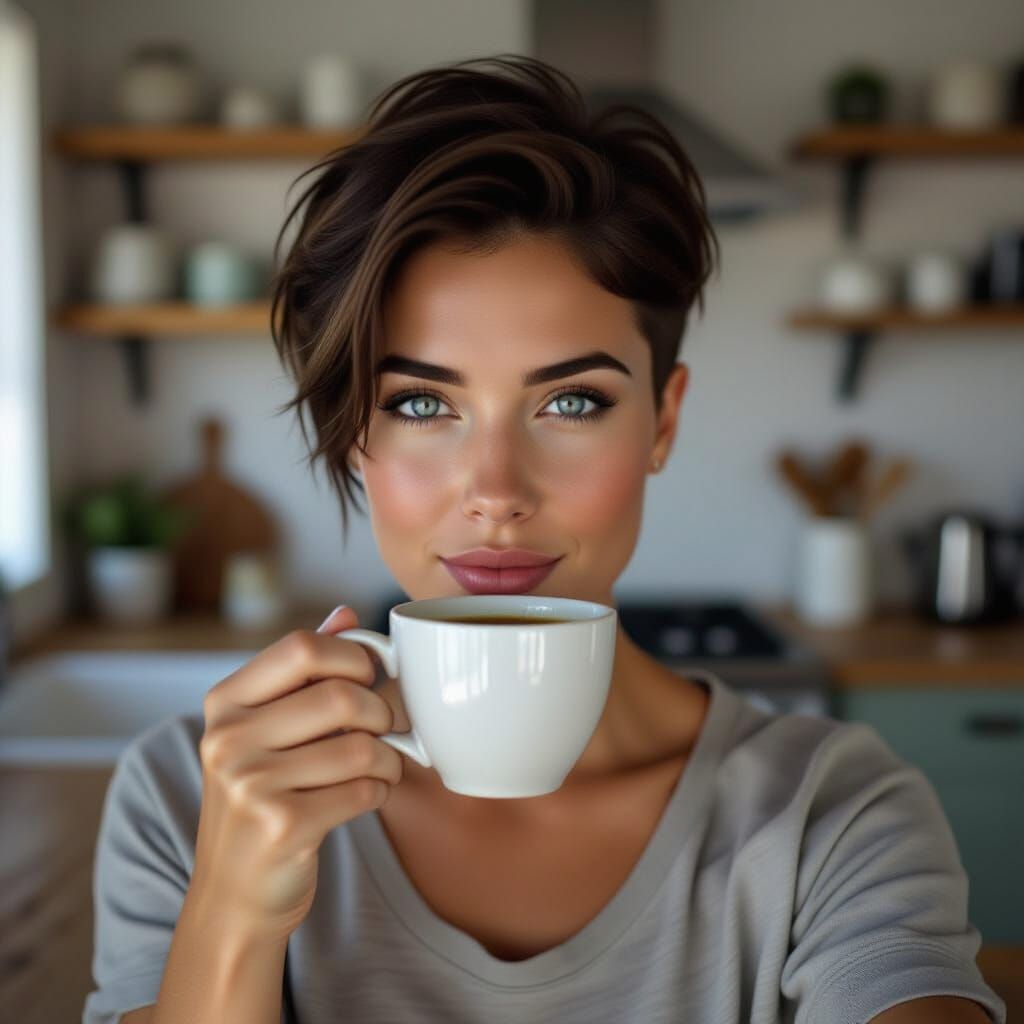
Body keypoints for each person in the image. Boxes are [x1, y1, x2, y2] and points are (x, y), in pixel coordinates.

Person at [82, 55, 1005, 1024]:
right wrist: (232, 909)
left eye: (571, 401)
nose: (495, 491)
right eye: (420, 402)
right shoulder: (191, 798)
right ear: (356, 435)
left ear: (660, 421)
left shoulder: (833, 810)